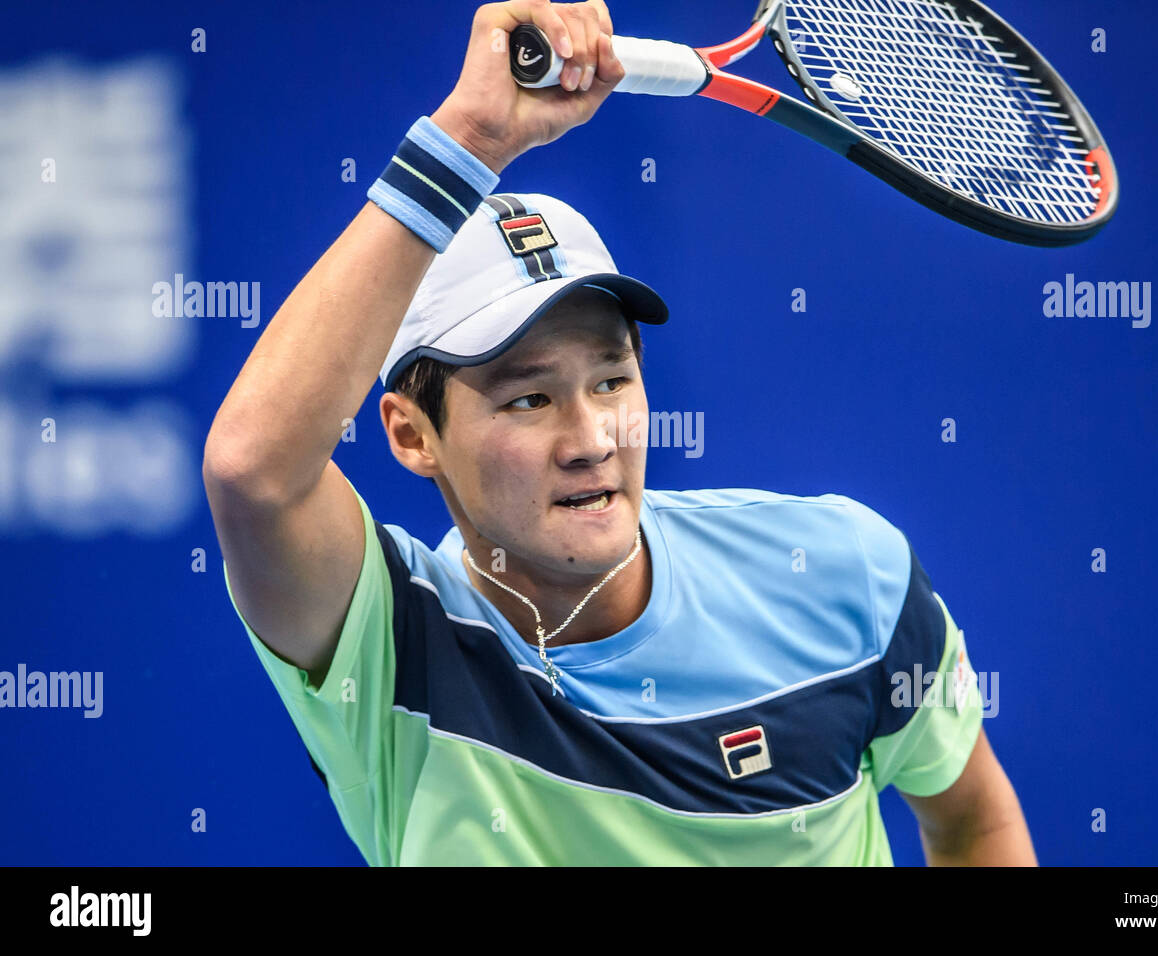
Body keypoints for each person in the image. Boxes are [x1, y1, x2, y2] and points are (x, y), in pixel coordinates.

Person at [203, 0, 1036, 866]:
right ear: (413, 436)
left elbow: (974, 823)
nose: (592, 437)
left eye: (611, 379)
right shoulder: (393, 646)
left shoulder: (845, 577)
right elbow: (251, 471)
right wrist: (471, 138)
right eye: (528, 400)